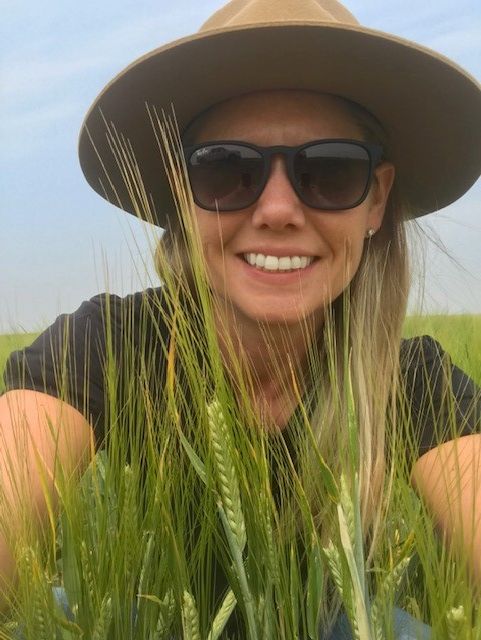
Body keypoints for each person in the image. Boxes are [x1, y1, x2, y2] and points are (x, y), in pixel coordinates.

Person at [1, 0, 480, 638]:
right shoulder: (112, 345)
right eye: (225, 169)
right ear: (181, 196)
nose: (278, 210)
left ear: (377, 199)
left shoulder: (411, 377)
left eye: (331, 170)